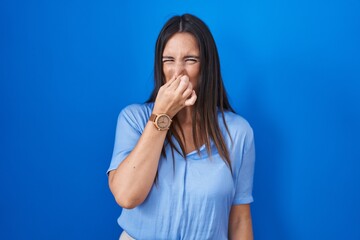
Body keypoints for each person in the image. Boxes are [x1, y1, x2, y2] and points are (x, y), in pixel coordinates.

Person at [107, 13, 255, 240]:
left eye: (190, 60)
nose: (178, 72)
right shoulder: (133, 119)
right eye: (169, 60)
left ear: (207, 66)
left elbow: (239, 218)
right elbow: (127, 196)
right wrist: (162, 114)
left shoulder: (238, 132)